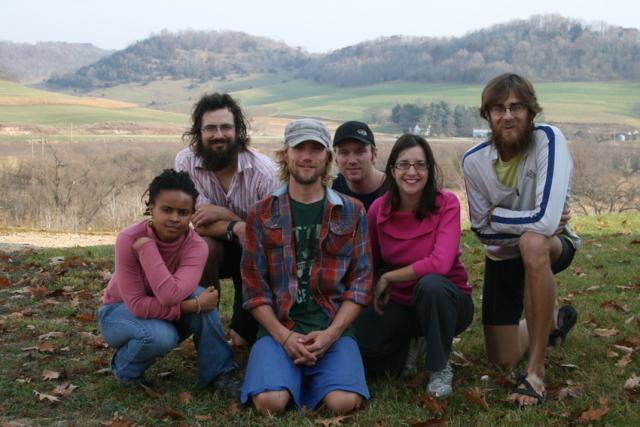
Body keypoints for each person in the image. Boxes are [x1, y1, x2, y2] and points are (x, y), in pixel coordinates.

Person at [462, 73, 580, 406]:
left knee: (533, 242)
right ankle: (551, 316)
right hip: (500, 255)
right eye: (498, 108)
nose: (508, 115)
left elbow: (543, 224)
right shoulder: (473, 161)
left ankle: (535, 374)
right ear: (487, 115)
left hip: (555, 246)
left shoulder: (549, 140)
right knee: (501, 358)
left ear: (530, 111)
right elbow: (481, 231)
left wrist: (495, 216)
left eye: (516, 107)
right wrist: (530, 221)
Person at [240, 119, 373, 415]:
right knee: (269, 403)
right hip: (279, 328)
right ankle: (285, 375)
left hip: (331, 328)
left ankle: (314, 377)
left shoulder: (352, 212)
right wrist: (283, 336)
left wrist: (331, 334)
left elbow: (361, 285)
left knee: (343, 403)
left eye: (316, 149)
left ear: (327, 156)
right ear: (286, 154)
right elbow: (253, 288)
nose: (307, 156)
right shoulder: (261, 213)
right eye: (300, 147)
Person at [98, 169, 239, 396]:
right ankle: (125, 369)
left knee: (203, 298)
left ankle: (218, 374)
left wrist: (195, 304)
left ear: (192, 213)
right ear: (151, 207)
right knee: (162, 335)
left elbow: (170, 294)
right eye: (166, 210)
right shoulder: (129, 239)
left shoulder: (196, 245)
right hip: (118, 313)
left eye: (183, 212)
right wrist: (147, 248)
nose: (174, 218)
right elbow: (137, 305)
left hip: (162, 307)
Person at [355, 134, 473, 397]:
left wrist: (389, 277)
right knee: (359, 343)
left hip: (447, 302)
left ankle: (439, 367)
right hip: (400, 303)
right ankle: (407, 350)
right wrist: (370, 289)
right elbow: (368, 262)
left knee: (431, 285)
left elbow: (440, 264)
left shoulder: (447, 204)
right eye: (404, 164)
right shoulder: (378, 209)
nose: (412, 172)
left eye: (420, 165)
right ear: (392, 170)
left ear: (430, 170)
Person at [176, 93, 278, 347]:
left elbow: (268, 234)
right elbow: (198, 223)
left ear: (238, 131)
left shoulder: (264, 172)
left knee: (244, 342)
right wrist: (238, 226)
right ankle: (207, 333)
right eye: (210, 128)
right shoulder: (185, 162)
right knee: (203, 246)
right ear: (198, 132)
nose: (218, 134)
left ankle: (244, 326)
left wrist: (226, 216)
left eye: (225, 127)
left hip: (258, 255)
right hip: (215, 248)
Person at [332, 120, 386, 211]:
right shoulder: (334, 189)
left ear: (374, 155)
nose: (352, 161)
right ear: (336, 158)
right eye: (344, 153)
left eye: (360, 152)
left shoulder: (395, 189)